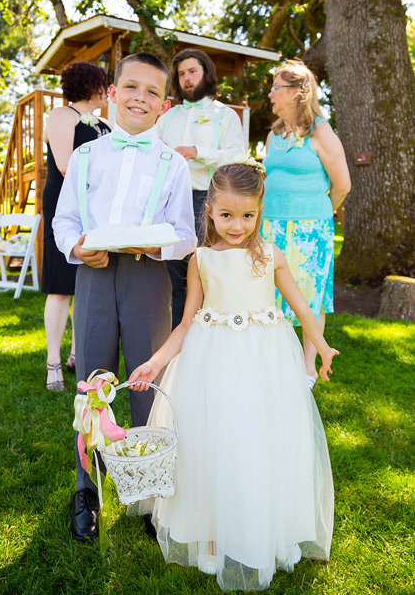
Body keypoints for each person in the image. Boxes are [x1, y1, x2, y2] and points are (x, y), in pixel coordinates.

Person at [129, 160, 337, 591]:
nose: (237, 225)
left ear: (260, 211)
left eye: (248, 216)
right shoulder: (201, 259)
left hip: (264, 362)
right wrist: (156, 360)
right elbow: (186, 323)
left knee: (262, 441)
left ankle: (272, 530)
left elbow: (301, 307)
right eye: (227, 215)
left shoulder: (271, 255)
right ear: (209, 211)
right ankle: (210, 534)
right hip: (213, 361)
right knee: (212, 442)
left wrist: (319, 343)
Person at [53, 52, 196, 541]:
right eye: (130, 88)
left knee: (143, 380)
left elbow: (184, 233)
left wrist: (152, 243)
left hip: (147, 278)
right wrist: (74, 246)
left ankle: (148, 492)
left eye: (152, 92)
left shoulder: (172, 165)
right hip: (93, 276)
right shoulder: (87, 156)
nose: (140, 98)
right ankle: (87, 490)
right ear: (111, 94)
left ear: (165, 105)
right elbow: (65, 218)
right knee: (93, 383)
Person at [261, 59, 351, 388]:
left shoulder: (321, 131)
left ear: (298, 91)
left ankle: (308, 369)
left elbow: (342, 185)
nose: (270, 94)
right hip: (269, 228)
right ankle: (274, 363)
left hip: (310, 231)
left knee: (309, 297)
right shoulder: (274, 134)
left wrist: (319, 214)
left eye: (276, 88)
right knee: (270, 297)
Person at [156, 49, 246, 330]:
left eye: (192, 71)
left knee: (208, 277)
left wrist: (197, 152)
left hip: (206, 202)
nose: (186, 78)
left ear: (207, 73)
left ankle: (211, 341)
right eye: (181, 74)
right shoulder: (168, 117)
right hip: (169, 203)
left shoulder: (226, 115)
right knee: (176, 279)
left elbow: (236, 156)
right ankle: (178, 348)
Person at [40, 61, 111, 392]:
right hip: (64, 207)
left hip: (95, 212)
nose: (108, 92)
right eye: (104, 85)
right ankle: (53, 361)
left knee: (85, 284)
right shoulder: (61, 116)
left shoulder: (105, 124)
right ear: (92, 85)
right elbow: (66, 165)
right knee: (60, 288)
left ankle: (74, 355)